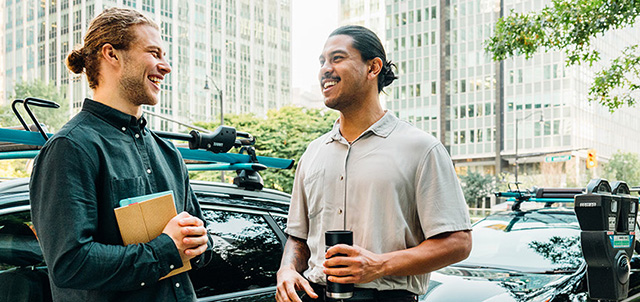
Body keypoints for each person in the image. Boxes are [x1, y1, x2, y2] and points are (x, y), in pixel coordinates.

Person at [276, 25, 472, 302]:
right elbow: (298, 238)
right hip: (314, 295)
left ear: (373, 68)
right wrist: (286, 270)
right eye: (322, 61)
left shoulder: (421, 148)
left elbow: (458, 243)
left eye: (337, 58)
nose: (325, 69)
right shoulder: (313, 153)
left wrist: (378, 265)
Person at [30, 7, 211, 302]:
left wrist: (199, 243)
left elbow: (199, 244)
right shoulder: (70, 147)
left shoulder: (167, 152)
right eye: (154, 53)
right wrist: (166, 249)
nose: (165, 66)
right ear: (111, 54)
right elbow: (70, 264)